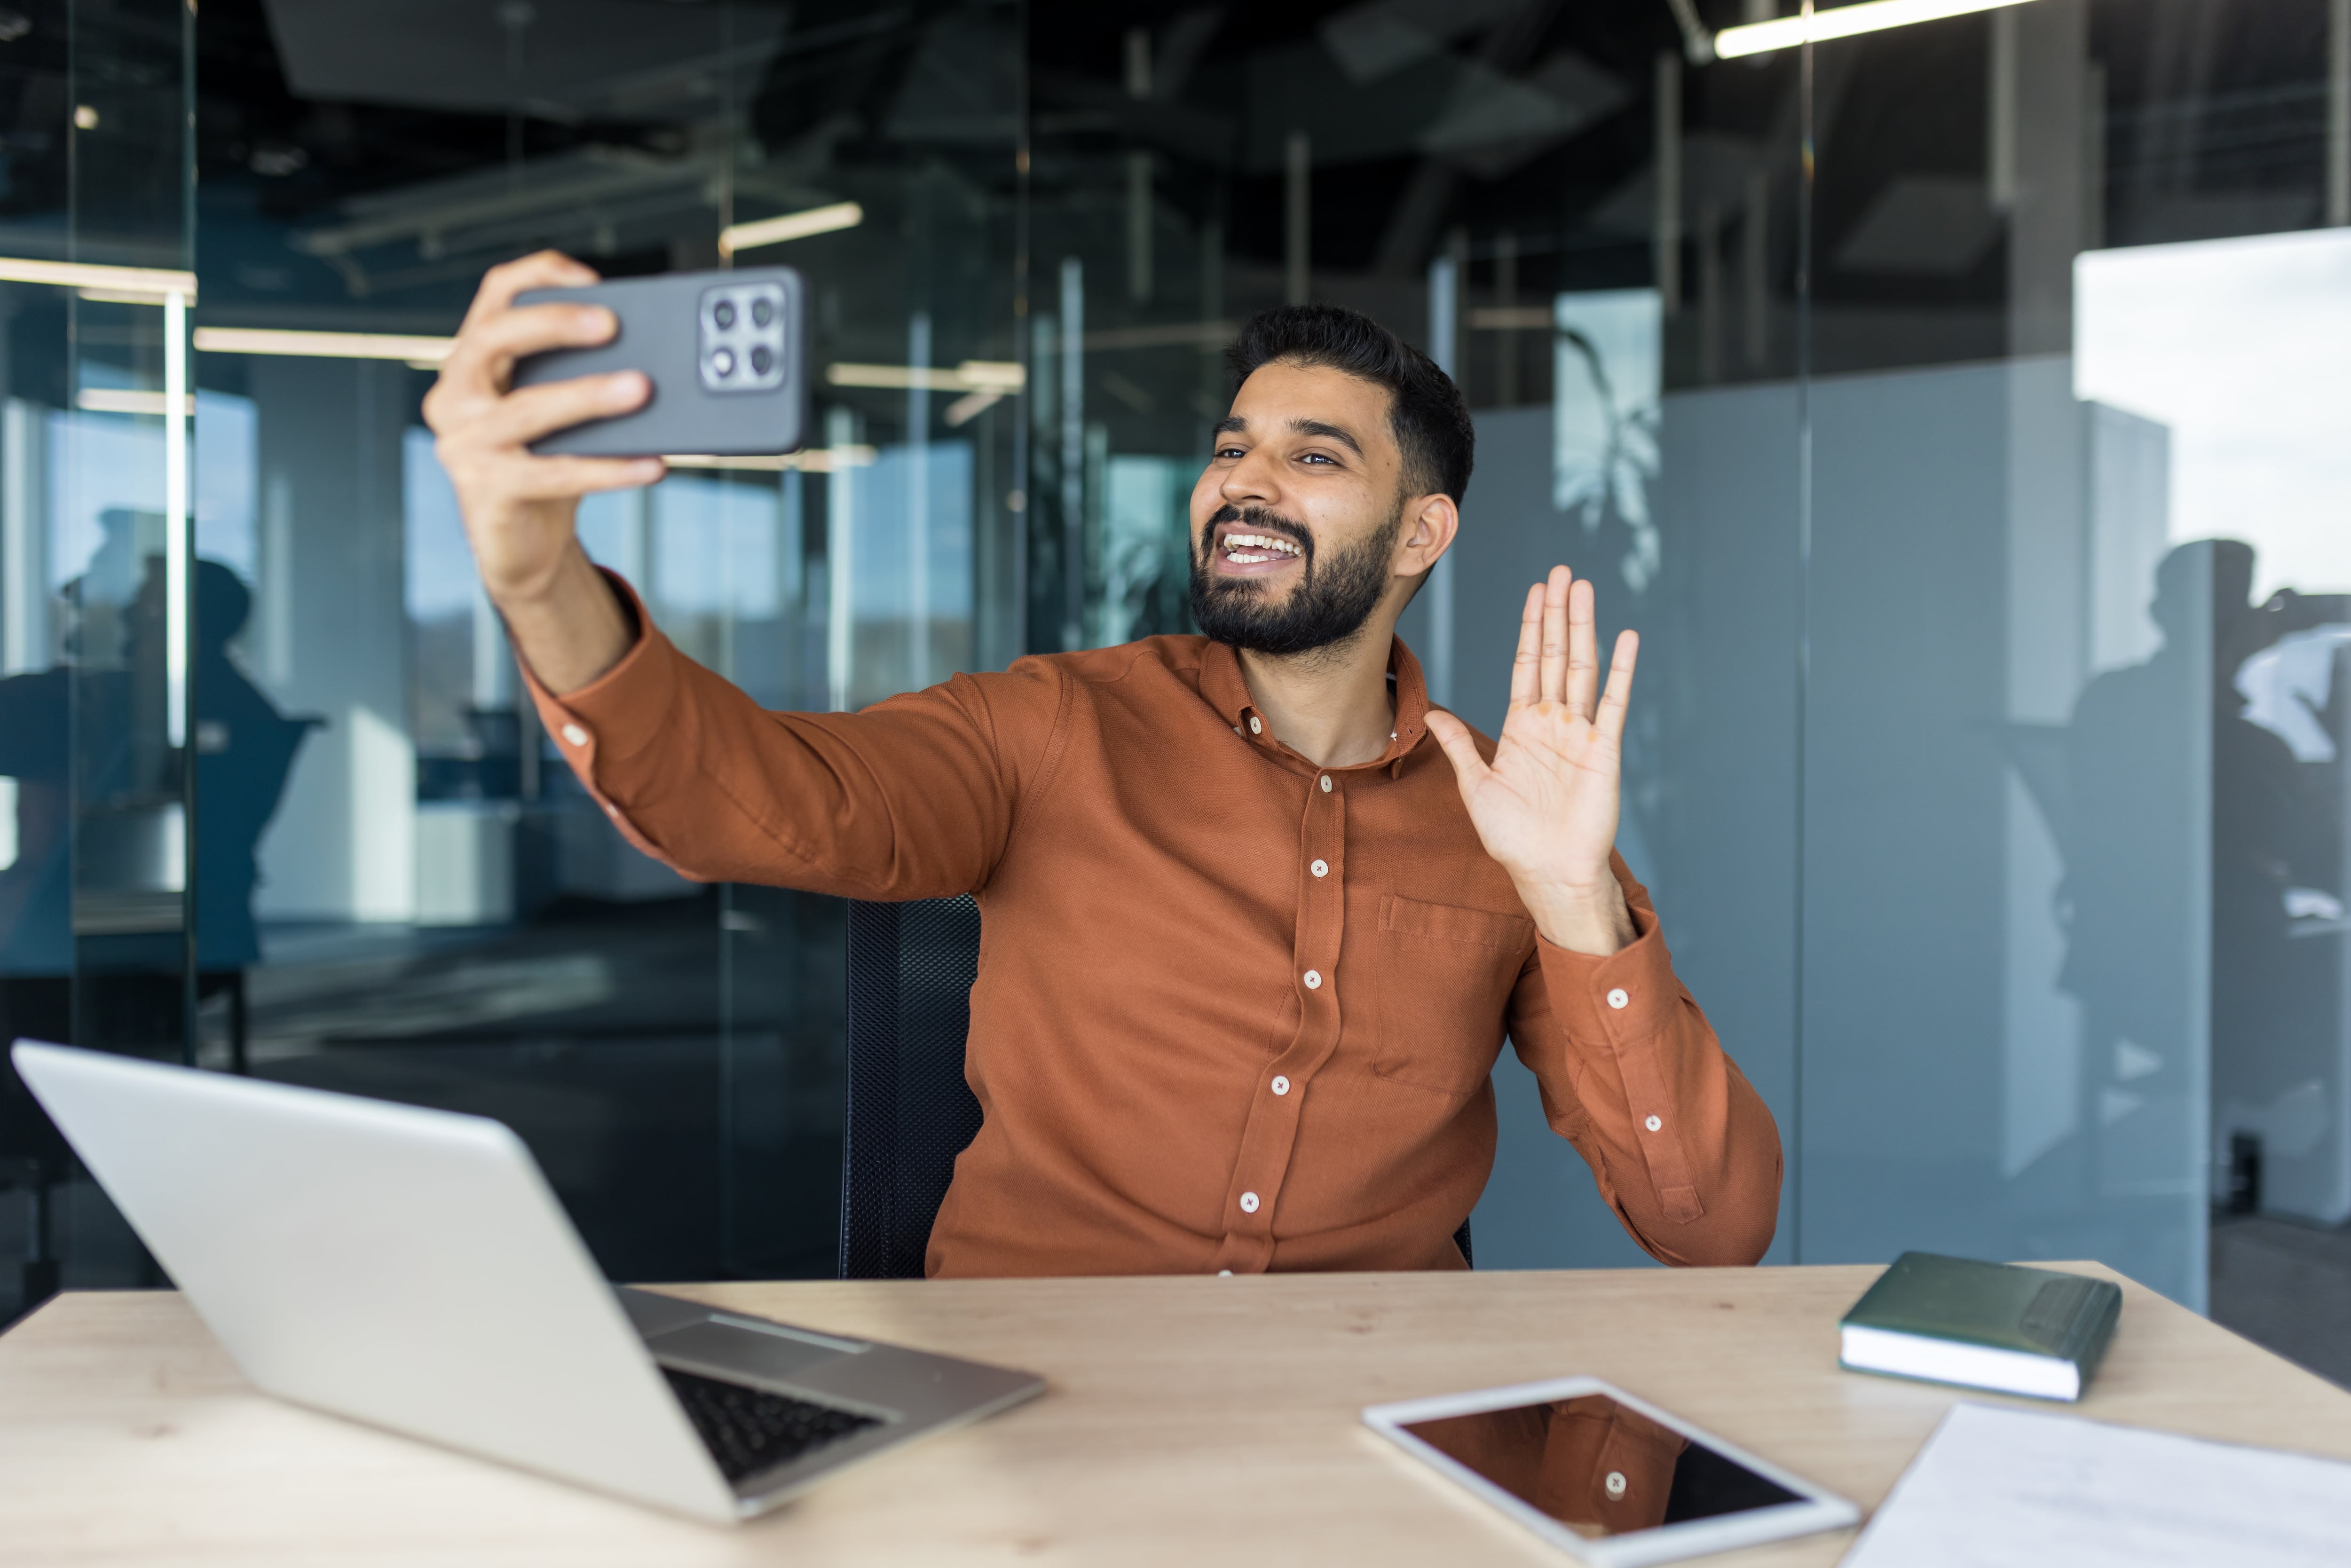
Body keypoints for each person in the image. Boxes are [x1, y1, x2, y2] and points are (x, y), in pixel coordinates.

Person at [424, 252, 1782, 1278]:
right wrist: (537, 576)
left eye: (1314, 458)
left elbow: (1708, 1227)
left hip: (1362, 1434)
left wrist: (1572, 901)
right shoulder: (1057, 727)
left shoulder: (1510, 823)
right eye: (1230, 448)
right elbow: (752, 797)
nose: (1244, 484)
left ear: (1421, 534)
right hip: (1040, 1407)